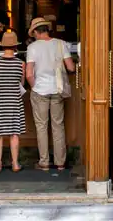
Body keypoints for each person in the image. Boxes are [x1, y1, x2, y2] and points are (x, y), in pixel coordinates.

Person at [26, 17, 75, 171]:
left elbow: (28, 74)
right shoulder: (61, 44)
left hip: (40, 90)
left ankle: (44, 162)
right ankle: (60, 163)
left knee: (41, 127)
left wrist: (35, 86)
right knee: (58, 126)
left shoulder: (32, 47)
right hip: (57, 89)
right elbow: (71, 68)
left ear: (35, 31)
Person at [0, 32, 26, 173]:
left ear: (2, 46)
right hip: (14, 102)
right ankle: (15, 164)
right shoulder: (21, 63)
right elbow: (22, 82)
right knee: (14, 134)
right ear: (15, 46)